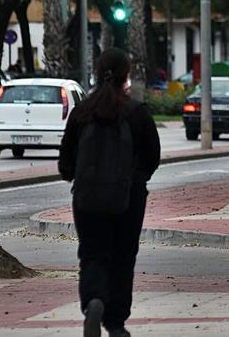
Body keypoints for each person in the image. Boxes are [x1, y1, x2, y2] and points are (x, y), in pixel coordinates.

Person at [59, 48, 161, 337]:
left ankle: (94, 300)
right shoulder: (137, 113)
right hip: (128, 199)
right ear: (125, 76)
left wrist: (77, 176)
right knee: (123, 257)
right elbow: (152, 156)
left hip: (87, 199)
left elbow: (65, 161)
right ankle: (116, 323)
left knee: (92, 255)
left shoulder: (82, 113)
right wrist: (137, 180)